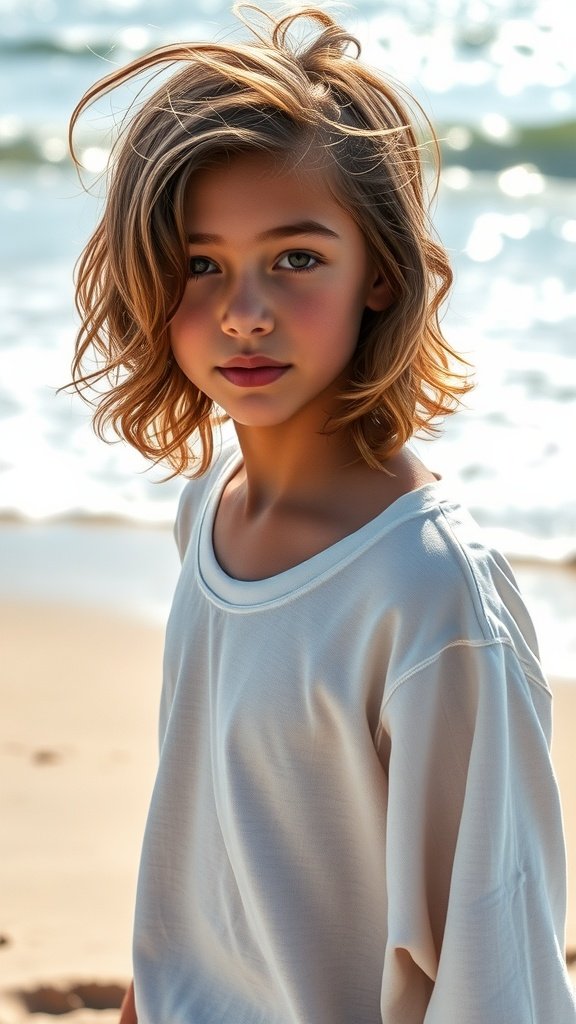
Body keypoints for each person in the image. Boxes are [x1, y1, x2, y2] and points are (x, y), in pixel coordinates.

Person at [68, 6, 576, 1022]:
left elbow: (496, 965)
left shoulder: (431, 597)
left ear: (379, 271)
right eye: (201, 263)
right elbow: (210, 861)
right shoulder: (209, 512)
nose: (244, 310)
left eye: (296, 257)